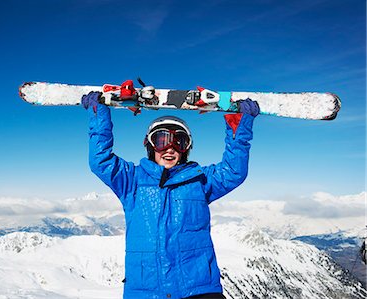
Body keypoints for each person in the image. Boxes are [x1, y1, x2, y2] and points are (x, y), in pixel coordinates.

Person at [82, 91, 259, 299]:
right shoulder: (132, 181)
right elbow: (100, 161)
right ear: (150, 145)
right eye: (161, 140)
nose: (170, 148)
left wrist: (240, 127)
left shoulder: (199, 180)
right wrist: (98, 116)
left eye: (179, 142)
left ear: (187, 148)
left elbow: (233, 171)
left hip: (199, 288)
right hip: (146, 291)